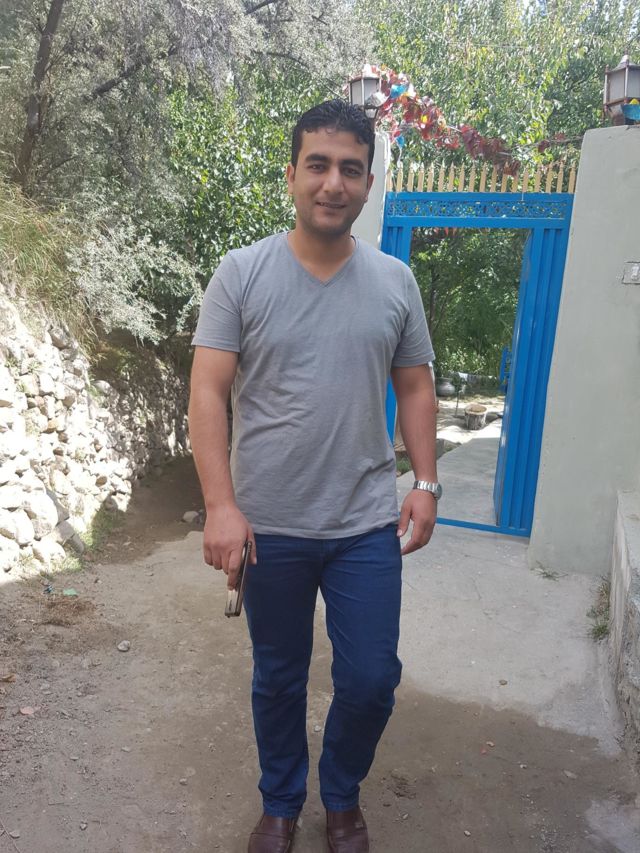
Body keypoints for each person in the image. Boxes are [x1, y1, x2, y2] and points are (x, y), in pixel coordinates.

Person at [189, 99, 439, 853]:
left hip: (364, 523)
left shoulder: (395, 282)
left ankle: (341, 794)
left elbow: (415, 386)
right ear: (292, 173)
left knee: (371, 677)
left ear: (368, 184)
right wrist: (220, 506)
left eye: (350, 169)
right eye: (319, 165)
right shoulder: (242, 274)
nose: (334, 183)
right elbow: (207, 392)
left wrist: (425, 483)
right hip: (269, 525)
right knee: (278, 675)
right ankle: (280, 802)